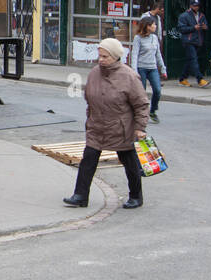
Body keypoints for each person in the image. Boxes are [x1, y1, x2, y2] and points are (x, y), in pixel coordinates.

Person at [63, 37, 149, 210]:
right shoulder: (95, 73)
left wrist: (140, 128)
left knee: (129, 162)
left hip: (121, 127)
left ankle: (135, 196)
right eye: (100, 56)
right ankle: (80, 195)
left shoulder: (129, 76)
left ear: (116, 57)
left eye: (105, 57)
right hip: (97, 125)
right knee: (88, 159)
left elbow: (141, 104)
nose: (101, 60)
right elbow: (89, 97)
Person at [130, 15, 167, 123]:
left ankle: (153, 111)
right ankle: (140, 113)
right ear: (147, 26)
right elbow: (134, 55)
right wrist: (134, 71)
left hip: (153, 68)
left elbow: (158, 54)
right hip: (141, 68)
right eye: (153, 24)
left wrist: (163, 69)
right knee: (141, 93)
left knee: (157, 90)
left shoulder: (154, 38)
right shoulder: (138, 38)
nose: (155, 26)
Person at [176, 0, 209, 87]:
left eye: (197, 6)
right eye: (194, 6)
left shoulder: (201, 15)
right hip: (189, 41)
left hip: (198, 41)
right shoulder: (184, 16)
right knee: (194, 60)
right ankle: (200, 79)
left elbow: (206, 25)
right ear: (190, 6)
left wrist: (205, 27)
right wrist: (194, 28)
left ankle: (182, 79)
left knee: (190, 60)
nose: (196, 7)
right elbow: (181, 29)